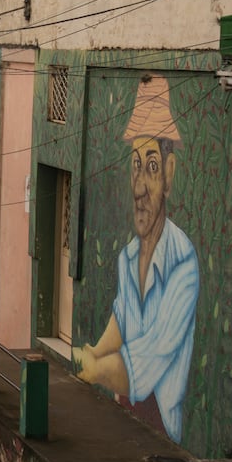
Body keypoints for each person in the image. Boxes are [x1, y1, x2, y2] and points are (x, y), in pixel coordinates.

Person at [73, 75, 198, 441]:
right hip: (125, 413)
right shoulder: (129, 257)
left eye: (153, 167)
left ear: (170, 175)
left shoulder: (184, 264)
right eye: (135, 166)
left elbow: (152, 353)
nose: (140, 185)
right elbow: (123, 316)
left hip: (164, 435)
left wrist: (95, 369)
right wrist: (95, 351)